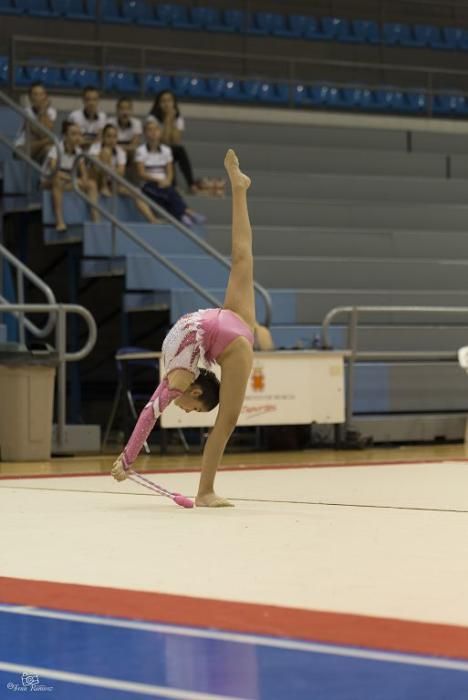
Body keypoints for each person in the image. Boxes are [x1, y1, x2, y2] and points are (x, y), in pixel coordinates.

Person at [111, 149, 254, 507]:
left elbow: (148, 413)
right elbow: (150, 414)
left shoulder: (178, 378)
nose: (184, 409)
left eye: (188, 411)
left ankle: (205, 491)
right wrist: (126, 460)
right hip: (225, 331)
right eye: (191, 409)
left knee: (227, 419)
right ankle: (239, 189)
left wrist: (127, 460)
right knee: (241, 256)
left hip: (224, 327)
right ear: (197, 391)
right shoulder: (179, 377)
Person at [135, 119, 205, 226]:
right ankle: (187, 212)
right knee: (169, 194)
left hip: (164, 183)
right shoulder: (141, 150)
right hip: (148, 184)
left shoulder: (166, 150)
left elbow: (170, 171)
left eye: (156, 129)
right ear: (145, 133)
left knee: (169, 192)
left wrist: (167, 180)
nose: (153, 132)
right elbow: (141, 173)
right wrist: (159, 180)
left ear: (160, 132)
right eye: (150, 130)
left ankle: (182, 216)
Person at [88, 123, 158, 222]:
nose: (111, 140)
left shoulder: (120, 152)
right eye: (108, 136)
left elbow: (120, 173)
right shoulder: (95, 147)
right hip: (96, 179)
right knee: (105, 153)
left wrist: (109, 170)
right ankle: (97, 218)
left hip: (112, 182)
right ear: (103, 137)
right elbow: (95, 166)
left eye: (114, 137)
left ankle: (152, 219)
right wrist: (109, 168)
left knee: (135, 191)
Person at [42, 120, 99, 232]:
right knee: (57, 180)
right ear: (65, 136)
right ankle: (59, 221)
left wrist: (82, 181)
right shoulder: (56, 148)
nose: (77, 137)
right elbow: (54, 171)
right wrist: (74, 180)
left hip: (67, 182)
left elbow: (84, 176)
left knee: (92, 184)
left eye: (79, 134)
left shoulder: (79, 152)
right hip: (48, 182)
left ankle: (96, 220)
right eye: (73, 134)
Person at [15, 82, 57, 163]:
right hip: (24, 147)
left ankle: (45, 175)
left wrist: (43, 111)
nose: (38, 97)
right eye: (35, 94)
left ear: (46, 96)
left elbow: (45, 133)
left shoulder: (52, 112)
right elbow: (41, 132)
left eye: (41, 94)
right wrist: (42, 111)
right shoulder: (26, 112)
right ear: (30, 98)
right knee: (49, 141)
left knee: (49, 149)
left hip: (40, 150)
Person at [108, 97, 142, 169]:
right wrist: (124, 148)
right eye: (122, 109)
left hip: (129, 156)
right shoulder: (110, 122)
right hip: (113, 153)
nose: (125, 112)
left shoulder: (137, 123)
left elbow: (134, 146)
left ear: (132, 110)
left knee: (136, 154)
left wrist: (118, 147)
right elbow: (108, 144)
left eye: (127, 109)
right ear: (117, 110)